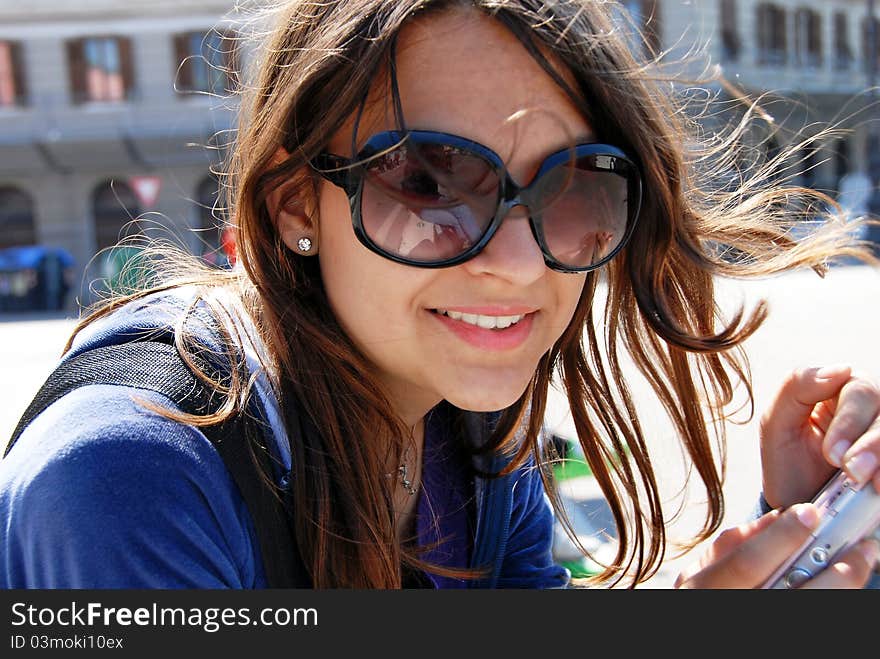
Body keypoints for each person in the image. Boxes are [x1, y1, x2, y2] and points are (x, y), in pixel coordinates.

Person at [2, 0, 879, 589]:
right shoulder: (133, 476)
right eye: (425, 181)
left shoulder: (471, 422)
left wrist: (793, 537)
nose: (518, 264)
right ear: (294, 203)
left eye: (575, 186)